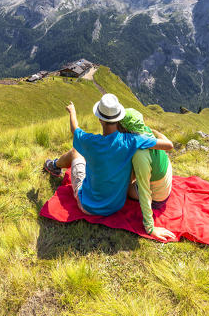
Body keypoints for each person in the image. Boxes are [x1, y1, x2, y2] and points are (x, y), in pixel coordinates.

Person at [44, 93, 173, 221]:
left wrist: (72, 111)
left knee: (74, 152)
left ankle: (54, 166)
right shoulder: (132, 140)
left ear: (100, 119)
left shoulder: (90, 141)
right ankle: (54, 165)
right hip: (116, 205)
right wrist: (151, 132)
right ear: (119, 118)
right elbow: (168, 145)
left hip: (88, 206)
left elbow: (74, 129)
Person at [120, 108, 175, 242]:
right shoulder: (146, 132)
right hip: (165, 185)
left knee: (121, 188)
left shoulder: (139, 154)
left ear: (125, 130)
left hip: (157, 198)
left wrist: (150, 228)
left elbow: (145, 191)